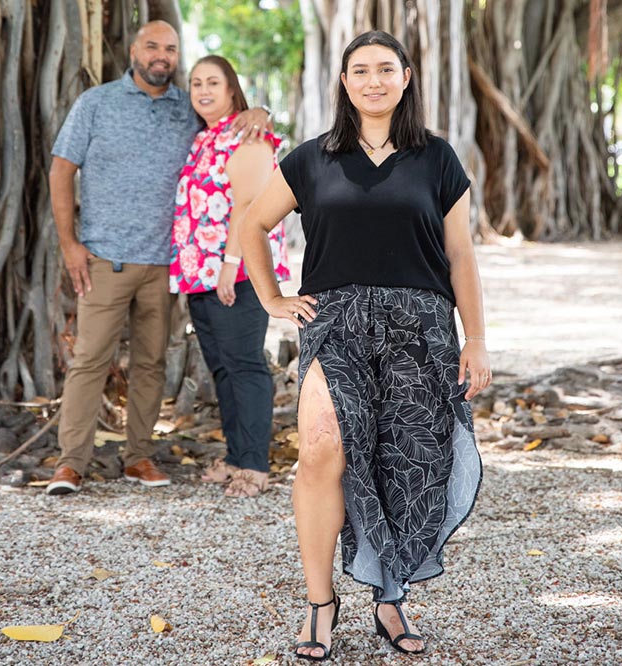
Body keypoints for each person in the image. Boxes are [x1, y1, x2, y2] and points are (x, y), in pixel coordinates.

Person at [240, 30, 490, 661]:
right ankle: (320, 604)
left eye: (386, 69)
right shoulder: (310, 159)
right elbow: (252, 224)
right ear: (344, 82)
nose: (373, 80)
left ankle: (388, 596)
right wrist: (272, 299)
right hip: (338, 322)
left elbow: (460, 253)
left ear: (406, 78)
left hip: (420, 327)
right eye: (360, 70)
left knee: (406, 460)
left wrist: (477, 339)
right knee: (323, 445)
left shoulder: (437, 158)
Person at [46, 21, 271, 496]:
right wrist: (70, 244)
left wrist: (261, 112)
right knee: (90, 360)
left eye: (171, 48)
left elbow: (238, 133)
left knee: (151, 364)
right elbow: (61, 169)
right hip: (106, 258)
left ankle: (139, 457)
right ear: (133, 50)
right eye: (152, 46)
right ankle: (71, 464)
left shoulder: (185, 109)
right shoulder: (97, 103)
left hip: (168, 266)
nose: (161, 55)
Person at [170, 56, 290, 498]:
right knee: (222, 367)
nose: (203, 90)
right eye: (196, 82)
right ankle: (237, 455)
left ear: (231, 88)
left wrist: (229, 265)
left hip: (236, 271)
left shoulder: (248, 133)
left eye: (213, 82)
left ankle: (256, 467)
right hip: (198, 274)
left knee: (245, 365)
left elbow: (248, 205)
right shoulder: (203, 137)